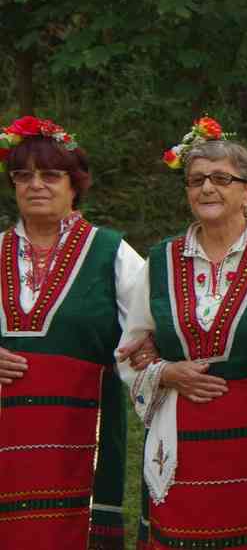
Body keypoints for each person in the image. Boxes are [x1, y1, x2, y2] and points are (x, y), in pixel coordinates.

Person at [118, 119, 247, 549]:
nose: (207, 189)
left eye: (222, 179)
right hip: (183, 441)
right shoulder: (161, 261)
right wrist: (166, 373)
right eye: (196, 181)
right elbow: (129, 350)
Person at [0, 117, 143, 549]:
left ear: (74, 184)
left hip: (82, 433)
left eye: (50, 175)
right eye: (23, 176)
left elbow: (151, 332)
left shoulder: (111, 252)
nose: (36, 185)